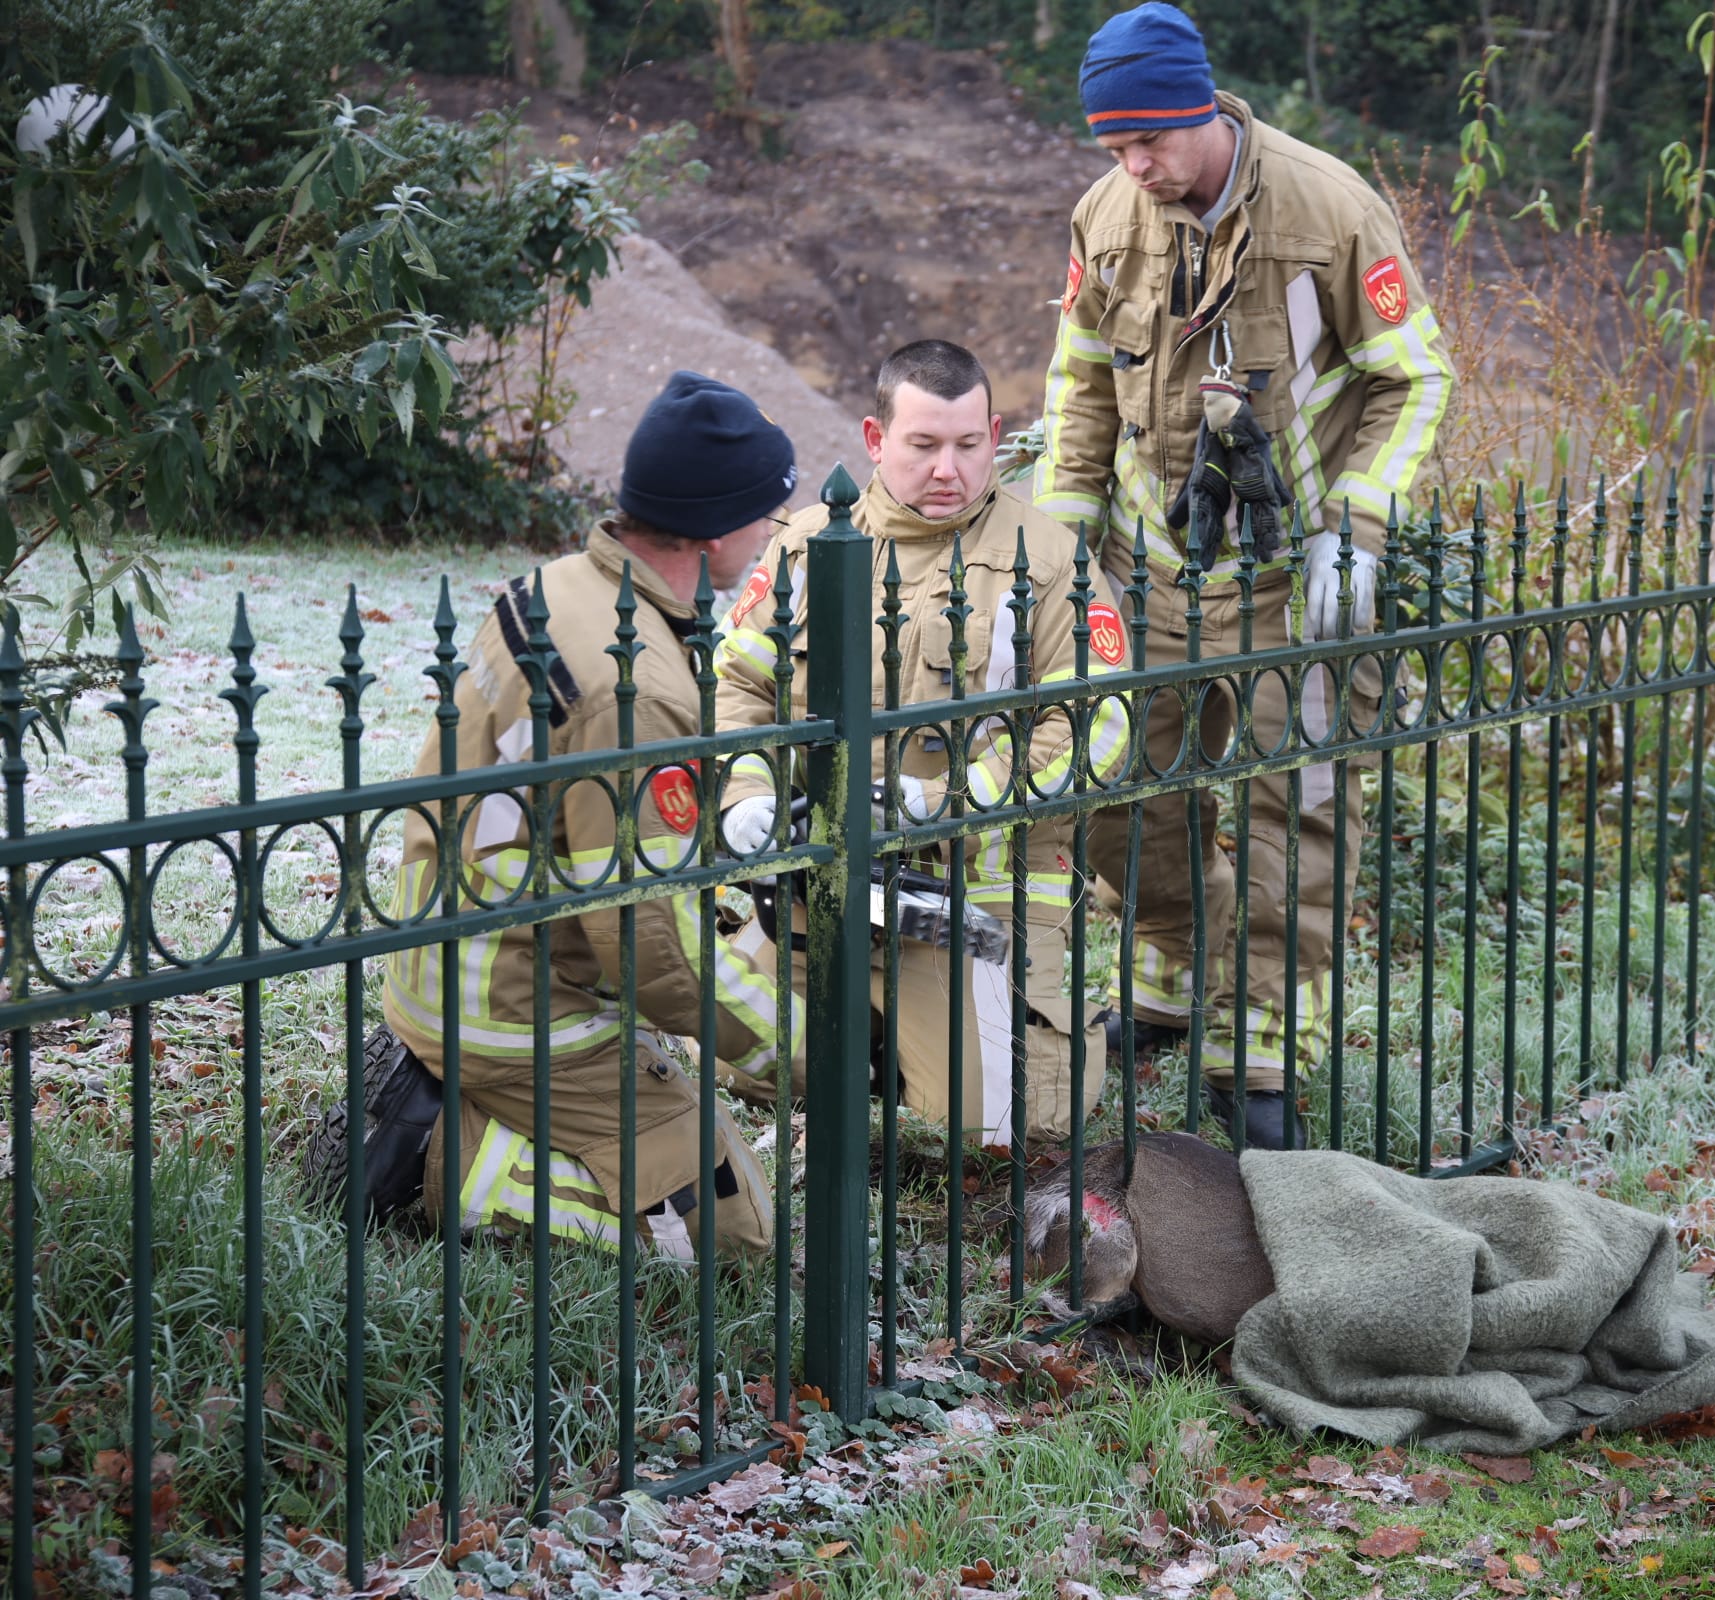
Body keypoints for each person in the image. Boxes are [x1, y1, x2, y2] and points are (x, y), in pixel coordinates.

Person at [1032, 2, 1454, 1150]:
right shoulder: (1106, 215)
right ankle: (1175, 961)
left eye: (1148, 141)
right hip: (1148, 567)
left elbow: (1415, 377)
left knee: (1293, 810)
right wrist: (1064, 539)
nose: (1133, 166)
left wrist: (1357, 522)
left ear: (1200, 111)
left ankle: (1264, 1033)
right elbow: (1079, 382)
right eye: (1114, 146)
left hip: (1292, 575)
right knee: (1118, 790)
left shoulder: (1331, 209)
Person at [303, 372, 795, 1259]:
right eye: (767, 514)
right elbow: (649, 941)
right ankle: (441, 1157)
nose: (773, 533)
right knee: (736, 1229)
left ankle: (441, 1085)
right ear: (717, 528)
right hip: (519, 1007)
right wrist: (787, 1049)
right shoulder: (635, 685)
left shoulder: (560, 586)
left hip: (444, 955)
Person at [711, 339, 1131, 1149]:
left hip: (972, 906)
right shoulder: (805, 545)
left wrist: (940, 803)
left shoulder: (1049, 562)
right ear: (875, 440)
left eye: (969, 445)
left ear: (995, 435)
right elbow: (737, 685)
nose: (949, 470)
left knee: (1007, 1129)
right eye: (924, 445)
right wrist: (746, 797)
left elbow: (1098, 724)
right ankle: (875, 1047)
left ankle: (910, 1048)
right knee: (725, 1058)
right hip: (815, 893)